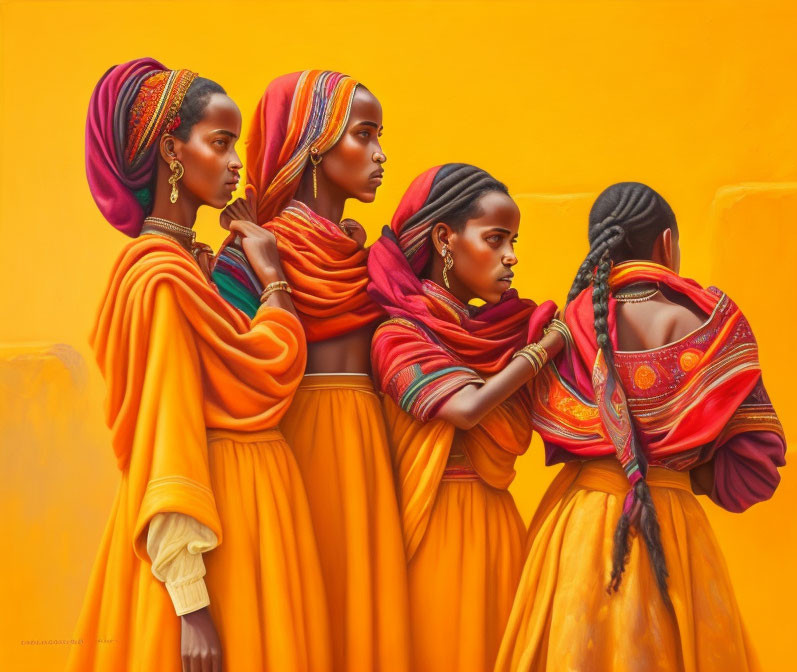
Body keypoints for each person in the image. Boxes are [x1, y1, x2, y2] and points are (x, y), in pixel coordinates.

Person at [68, 58, 331, 672]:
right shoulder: (160, 279)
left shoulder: (198, 269)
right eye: (220, 143)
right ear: (171, 151)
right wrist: (191, 606)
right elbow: (168, 440)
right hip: (208, 542)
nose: (238, 161)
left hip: (255, 522)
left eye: (236, 143)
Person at [495, 182, 786, 672]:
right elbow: (755, 474)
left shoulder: (566, 328)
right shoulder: (710, 329)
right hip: (672, 527)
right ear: (667, 244)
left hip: (579, 528)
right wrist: (684, 469)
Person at [211, 70, 408, 672]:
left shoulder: (365, 254)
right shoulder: (256, 249)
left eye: (381, 136)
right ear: (313, 143)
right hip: (297, 451)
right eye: (364, 134)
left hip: (370, 453)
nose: (380, 154)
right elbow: (232, 373)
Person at [367, 163, 564, 672]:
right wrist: (545, 349)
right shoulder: (398, 335)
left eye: (513, 241)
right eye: (496, 239)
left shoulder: (503, 333)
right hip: (432, 534)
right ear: (444, 239)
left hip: (499, 528)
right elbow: (468, 409)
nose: (511, 257)